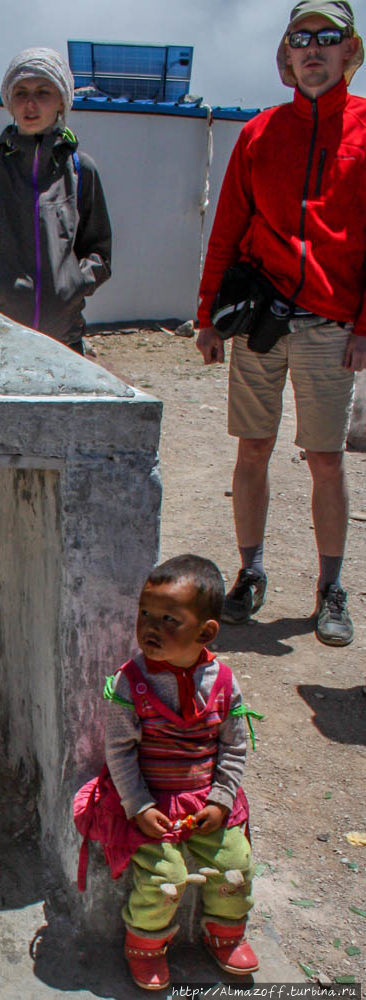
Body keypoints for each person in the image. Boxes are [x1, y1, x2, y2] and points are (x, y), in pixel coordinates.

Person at [195, 0, 366, 646]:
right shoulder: (260, 134)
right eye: (301, 39)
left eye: (328, 38)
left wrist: (365, 327)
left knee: (325, 458)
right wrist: (209, 314)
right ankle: (252, 572)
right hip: (262, 320)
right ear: (286, 56)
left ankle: (330, 588)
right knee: (254, 449)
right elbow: (227, 229)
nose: (313, 49)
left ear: (350, 51)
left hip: (330, 322)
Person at [0, 47, 112, 593]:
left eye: (42, 93)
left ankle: (50, 582)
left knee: (59, 465)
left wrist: (72, 285)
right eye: (21, 93)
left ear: (62, 101)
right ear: (8, 101)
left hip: (63, 349)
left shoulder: (82, 173)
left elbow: (100, 251)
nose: (31, 103)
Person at [73, 555, 260, 990]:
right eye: (145, 614)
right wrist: (138, 806)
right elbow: (118, 752)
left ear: (206, 632)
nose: (150, 627)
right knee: (167, 879)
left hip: (205, 801)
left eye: (168, 619)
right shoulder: (130, 684)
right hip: (148, 802)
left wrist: (221, 800)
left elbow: (234, 745)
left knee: (236, 864)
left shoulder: (225, 684)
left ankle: (225, 933)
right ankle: (145, 943)